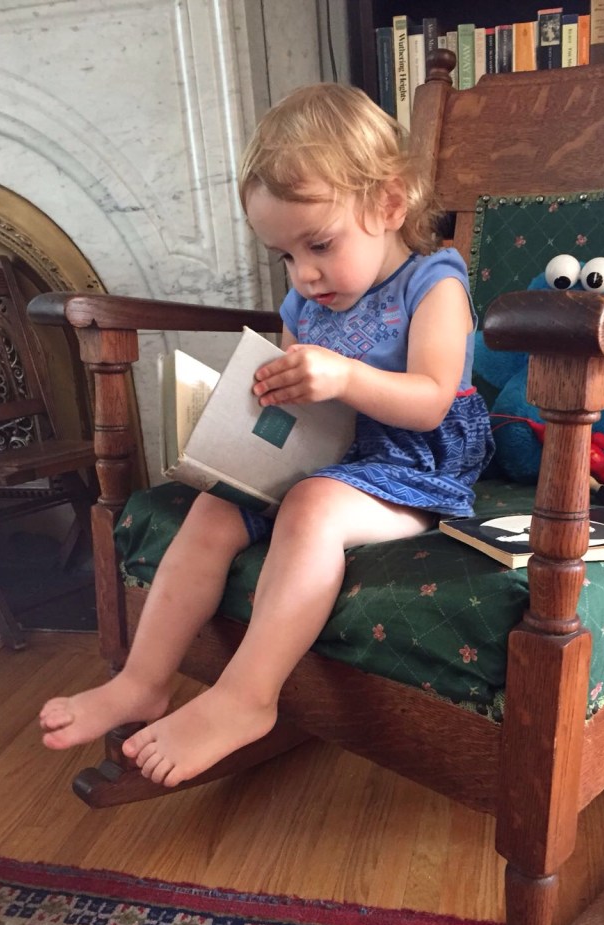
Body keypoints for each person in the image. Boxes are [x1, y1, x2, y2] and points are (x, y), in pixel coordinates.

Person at [39, 82, 495, 787]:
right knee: (214, 507)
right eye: (284, 255)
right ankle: (142, 681)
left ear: (389, 205)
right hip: (324, 453)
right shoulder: (304, 303)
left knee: (311, 507)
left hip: (414, 465)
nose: (304, 275)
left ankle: (247, 697)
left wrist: (343, 376)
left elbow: (433, 402)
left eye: (320, 244)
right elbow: (296, 410)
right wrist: (245, 421)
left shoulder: (433, 284)